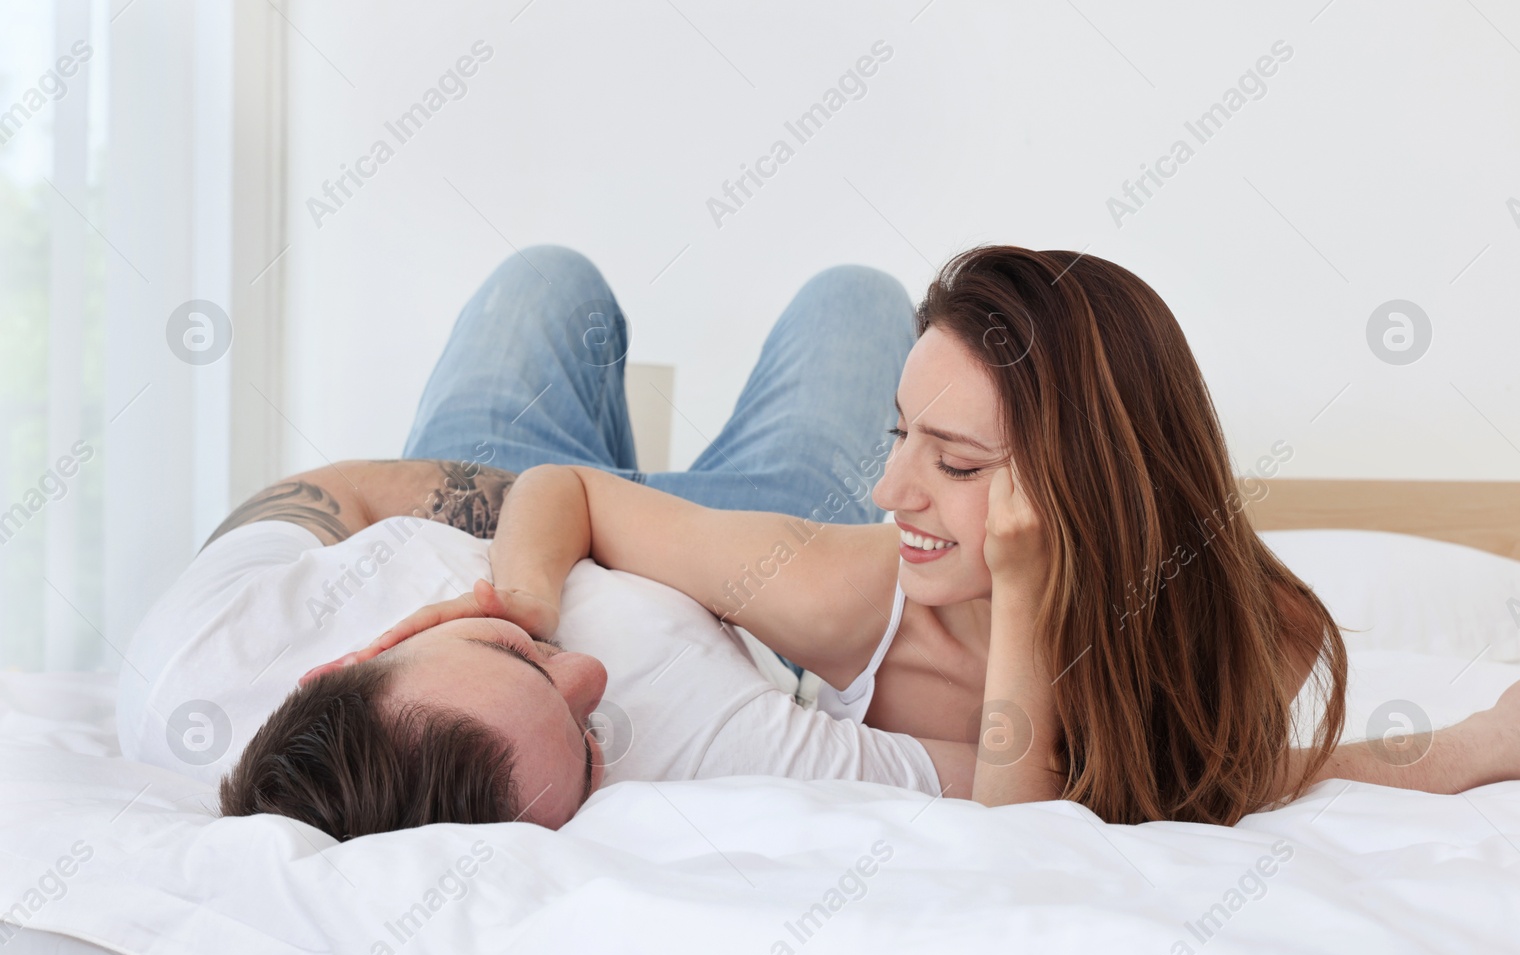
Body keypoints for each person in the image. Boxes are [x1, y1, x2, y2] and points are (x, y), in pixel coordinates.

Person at [360, 245, 1520, 826]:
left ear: (1094, 484)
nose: (893, 485)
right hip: (736, 523)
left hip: (751, 524)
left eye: (952, 461)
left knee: (846, 294)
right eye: (900, 432)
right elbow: (566, 489)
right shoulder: (850, 585)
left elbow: (1073, 817)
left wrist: (1485, 738)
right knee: (552, 285)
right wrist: (521, 602)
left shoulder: (1244, 626)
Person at [117, 248, 973, 840]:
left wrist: (551, 540)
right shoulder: (722, 757)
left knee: (545, 279)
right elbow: (1024, 774)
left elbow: (341, 491)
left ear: (346, 661)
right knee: (853, 296)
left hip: (497, 485)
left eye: (519, 649)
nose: (589, 675)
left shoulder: (190, 665)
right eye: (590, 735)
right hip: (750, 564)